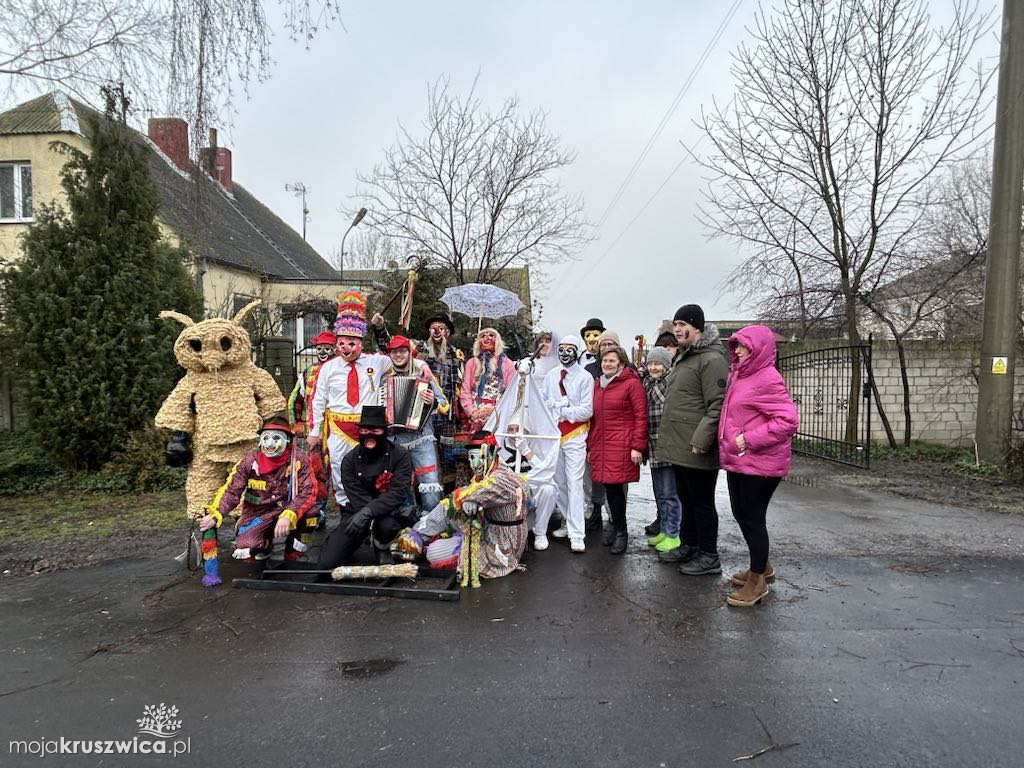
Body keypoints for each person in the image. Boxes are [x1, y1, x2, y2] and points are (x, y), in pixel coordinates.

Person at [308, 291, 428, 507]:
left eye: (352, 343)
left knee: (374, 468)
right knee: (338, 466)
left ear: (361, 343)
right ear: (337, 343)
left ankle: (371, 508)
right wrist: (315, 431)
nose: (347, 348)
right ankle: (346, 507)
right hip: (338, 426)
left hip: (368, 426)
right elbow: (317, 400)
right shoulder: (328, 368)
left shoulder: (376, 362)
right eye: (342, 343)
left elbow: (401, 358)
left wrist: (423, 365)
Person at [718, 325, 799, 607]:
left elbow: (787, 421)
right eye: (736, 345)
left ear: (758, 348)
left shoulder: (767, 377)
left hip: (760, 463)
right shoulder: (741, 374)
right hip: (740, 461)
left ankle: (757, 582)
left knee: (752, 518)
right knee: (742, 514)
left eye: (742, 345)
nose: (736, 350)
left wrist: (746, 440)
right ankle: (762, 567)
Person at [655, 304, 729, 576]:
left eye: (683, 324)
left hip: (697, 446)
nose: (677, 329)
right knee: (686, 498)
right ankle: (689, 544)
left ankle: (709, 555)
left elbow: (718, 403)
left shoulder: (712, 359)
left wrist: (702, 439)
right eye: (675, 324)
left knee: (702, 502)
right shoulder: (686, 357)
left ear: (697, 327)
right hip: (681, 444)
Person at [411, 430, 530, 583]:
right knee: (450, 506)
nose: (475, 464)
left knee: (434, 552)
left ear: (492, 455)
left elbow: (479, 492)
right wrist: (470, 499)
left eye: (480, 457)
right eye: (472, 457)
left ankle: (418, 539)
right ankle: (414, 537)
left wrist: (470, 499)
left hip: (502, 544)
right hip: (489, 529)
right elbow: (468, 494)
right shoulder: (487, 473)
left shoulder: (499, 479)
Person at [198, 416, 317, 564]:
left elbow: (309, 491)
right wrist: (215, 515)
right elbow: (231, 491)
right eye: (266, 438)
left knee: (312, 513)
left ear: (287, 440)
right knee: (245, 549)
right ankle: (264, 545)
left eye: (276, 438)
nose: (270, 444)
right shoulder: (249, 462)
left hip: (287, 507)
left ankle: (293, 550)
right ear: (260, 440)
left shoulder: (300, 460)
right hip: (259, 512)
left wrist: (289, 513)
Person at [317, 405, 415, 569]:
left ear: (384, 432)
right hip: (356, 510)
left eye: (375, 431)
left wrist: (369, 512)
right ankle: (350, 544)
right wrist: (363, 514)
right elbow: (355, 494)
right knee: (327, 564)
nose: (369, 436)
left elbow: (397, 493)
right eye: (365, 431)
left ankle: (382, 546)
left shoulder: (400, 455)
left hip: (388, 512)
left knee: (387, 526)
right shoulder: (349, 460)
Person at [588, 346, 647, 555]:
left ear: (621, 364)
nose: (607, 364)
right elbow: (593, 418)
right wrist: (590, 445)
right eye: (604, 361)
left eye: (612, 361)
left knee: (615, 491)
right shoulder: (597, 385)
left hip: (621, 445)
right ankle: (613, 527)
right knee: (607, 489)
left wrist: (637, 446)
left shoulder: (632, 384)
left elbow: (641, 417)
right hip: (602, 444)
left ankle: (622, 531)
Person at [380, 334, 449, 512]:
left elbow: (444, 404)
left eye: (402, 351)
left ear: (410, 353)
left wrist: (432, 401)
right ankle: (406, 521)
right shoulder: (384, 378)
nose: (398, 355)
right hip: (394, 440)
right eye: (394, 352)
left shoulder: (425, 375)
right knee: (400, 482)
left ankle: (431, 523)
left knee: (429, 481)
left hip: (421, 438)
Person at [542, 334, 593, 553]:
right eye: (561, 348)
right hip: (554, 435)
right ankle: (566, 521)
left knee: (574, 484)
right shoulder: (551, 375)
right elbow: (543, 402)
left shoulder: (585, 378)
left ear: (577, 351)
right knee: (559, 483)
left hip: (575, 435)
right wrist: (553, 407)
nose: (564, 352)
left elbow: (586, 410)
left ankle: (577, 534)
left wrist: (563, 410)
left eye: (569, 348)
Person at [641, 346, 687, 561]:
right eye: (650, 363)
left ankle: (673, 533)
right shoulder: (647, 382)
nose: (653, 367)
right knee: (660, 492)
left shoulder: (669, 383)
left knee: (670, 493)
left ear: (667, 365)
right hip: (653, 445)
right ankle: (664, 530)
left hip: (668, 444)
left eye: (658, 363)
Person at [287, 329, 336, 521]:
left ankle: (350, 509)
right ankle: (318, 509)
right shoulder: (308, 372)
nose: (322, 352)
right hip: (315, 429)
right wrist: (297, 422)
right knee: (316, 470)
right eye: (319, 348)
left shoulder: (342, 368)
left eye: (327, 348)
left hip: (339, 429)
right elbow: (295, 399)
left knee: (343, 469)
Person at [460, 327, 517, 433]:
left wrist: (495, 410)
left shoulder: (507, 363)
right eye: (483, 336)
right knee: (476, 447)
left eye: (491, 335)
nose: (487, 338)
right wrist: (471, 412)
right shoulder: (472, 363)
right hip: (475, 414)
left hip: (497, 413)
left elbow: (511, 392)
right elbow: (465, 390)